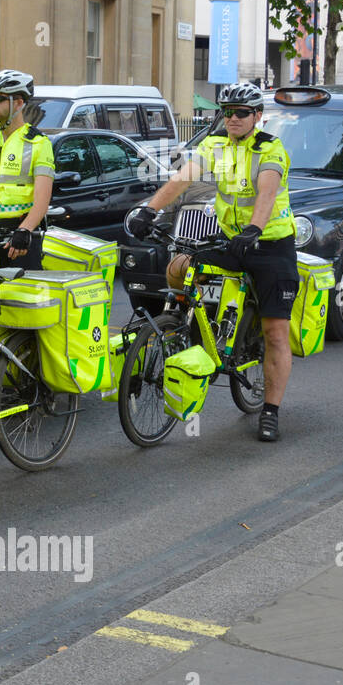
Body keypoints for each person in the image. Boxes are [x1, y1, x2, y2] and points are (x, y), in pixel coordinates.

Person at [125, 82, 296, 442]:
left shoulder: (270, 149)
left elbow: (267, 192)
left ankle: (270, 410)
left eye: (240, 113)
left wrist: (254, 228)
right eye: (226, 112)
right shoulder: (213, 144)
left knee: (275, 332)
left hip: (270, 244)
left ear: (257, 117)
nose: (232, 118)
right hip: (233, 241)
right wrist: (149, 209)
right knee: (179, 267)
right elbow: (182, 180)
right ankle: (187, 329)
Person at [0, 70, 54, 268]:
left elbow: (41, 201)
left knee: (22, 297)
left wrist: (24, 231)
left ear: (18, 103)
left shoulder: (38, 143)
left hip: (20, 239)